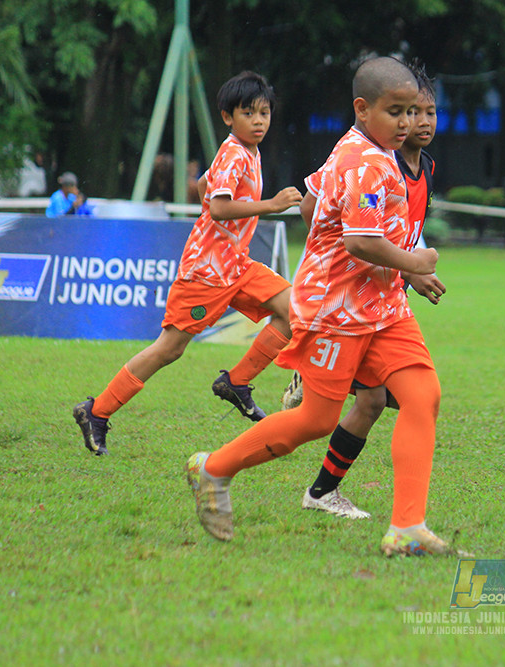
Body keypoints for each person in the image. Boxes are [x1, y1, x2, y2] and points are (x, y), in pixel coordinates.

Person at [186, 56, 467, 558]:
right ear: (362, 109)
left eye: (412, 112)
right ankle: (214, 468)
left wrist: (334, 236)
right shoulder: (369, 162)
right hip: (337, 311)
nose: (407, 123)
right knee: (315, 420)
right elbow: (360, 242)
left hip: (383, 307)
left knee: (422, 395)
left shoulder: (357, 148)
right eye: (396, 112)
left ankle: (407, 528)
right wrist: (413, 261)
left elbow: (314, 199)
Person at [72, 71, 303, 455]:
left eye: (264, 113)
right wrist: (272, 205)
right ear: (228, 117)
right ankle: (95, 411)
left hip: (235, 264)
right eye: (248, 113)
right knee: (169, 349)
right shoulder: (234, 153)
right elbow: (219, 207)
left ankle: (237, 383)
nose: (258, 121)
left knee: (294, 310)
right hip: (206, 271)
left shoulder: (248, 151)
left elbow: (204, 186)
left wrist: (221, 224)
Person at [284, 63, 443, 521]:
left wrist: (407, 265)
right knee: (371, 403)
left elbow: (399, 228)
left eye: (427, 112)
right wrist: (360, 254)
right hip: (347, 303)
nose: (419, 122)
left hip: (384, 298)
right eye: (408, 111)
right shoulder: (369, 158)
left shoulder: (422, 167)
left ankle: (324, 492)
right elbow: (322, 209)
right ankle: (308, 374)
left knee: (381, 401)